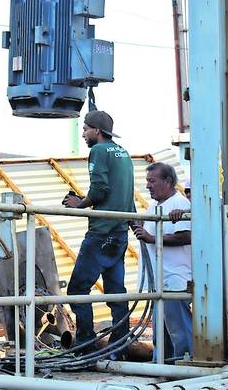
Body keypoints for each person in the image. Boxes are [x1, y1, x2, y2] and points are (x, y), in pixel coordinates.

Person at [63, 110, 135, 357]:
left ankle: (86, 345)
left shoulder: (98, 151)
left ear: (97, 131)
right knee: (116, 292)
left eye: (85, 129)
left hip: (101, 232)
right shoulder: (123, 153)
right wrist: (135, 225)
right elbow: (126, 193)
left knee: (78, 290)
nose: (83, 134)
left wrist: (79, 204)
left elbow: (100, 188)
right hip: (119, 232)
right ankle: (119, 345)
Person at [168, 180, 228, 358]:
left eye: (191, 191)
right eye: (186, 192)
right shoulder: (211, 209)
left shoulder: (220, 207)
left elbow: (212, 209)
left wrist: (184, 211)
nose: (188, 195)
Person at [132, 162, 192, 360]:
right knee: (162, 330)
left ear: (167, 181)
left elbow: (185, 236)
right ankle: (163, 364)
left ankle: (186, 362)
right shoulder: (153, 206)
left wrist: (152, 238)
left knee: (179, 329)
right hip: (159, 280)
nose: (148, 185)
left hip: (173, 278)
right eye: (147, 181)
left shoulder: (180, 204)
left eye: (152, 181)